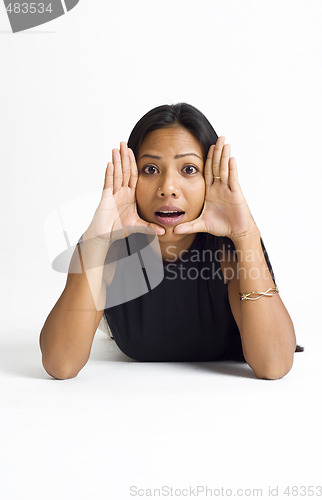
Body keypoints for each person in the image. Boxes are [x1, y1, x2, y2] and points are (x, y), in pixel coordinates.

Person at [39, 103, 303, 381]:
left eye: (188, 169)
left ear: (210, 178)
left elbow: (274, 365)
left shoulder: (230, 249)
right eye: (150, 169)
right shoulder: (107, 247)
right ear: (130, 175)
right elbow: (60, 364)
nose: (168, 188)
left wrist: (246, 235)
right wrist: (97, 241)